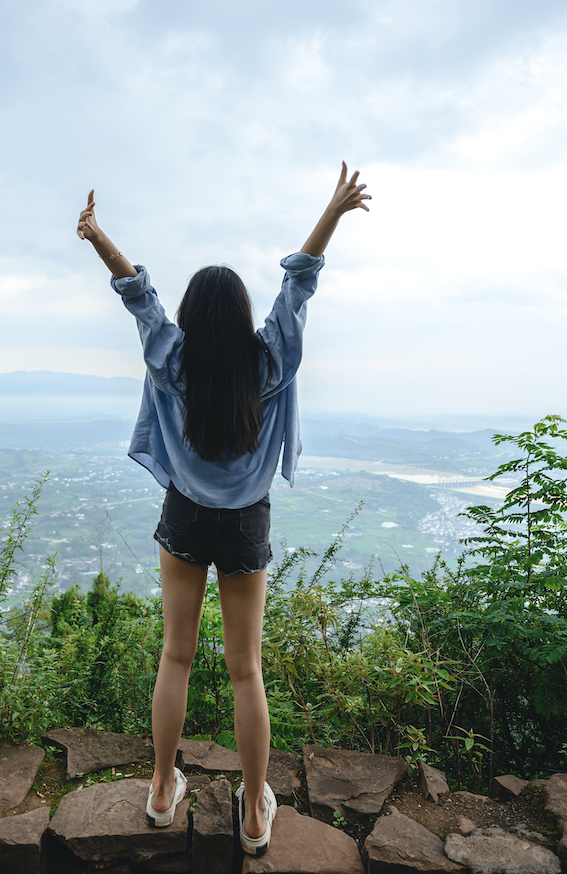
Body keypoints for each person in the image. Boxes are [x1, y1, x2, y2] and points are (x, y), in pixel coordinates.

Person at [75, 163, 371, 856]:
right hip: (246, 521)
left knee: (175, 655)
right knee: (246, 668)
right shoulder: (268, 365)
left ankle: (159, 790)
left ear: (190, 316)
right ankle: (257, 817)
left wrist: (96, 237)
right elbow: (299, 284)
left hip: (183, 516)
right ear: (240, 316)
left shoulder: (172, 360)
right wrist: (332, 211)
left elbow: (137, 295)